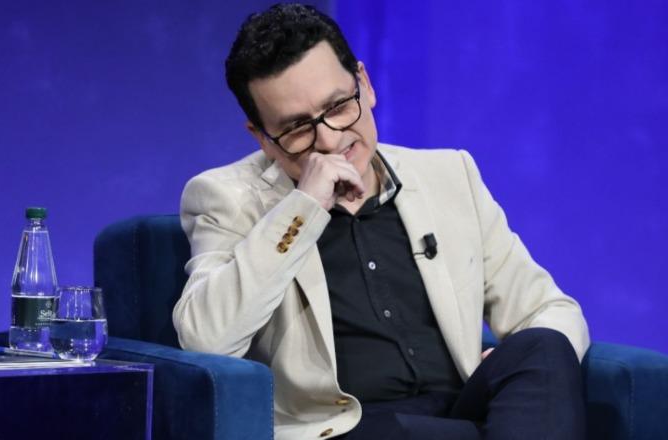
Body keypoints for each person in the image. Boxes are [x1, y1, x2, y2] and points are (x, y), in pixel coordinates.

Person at [173, 4, 590, 439]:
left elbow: (549, 309)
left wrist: (505, 372)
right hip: (352, 428)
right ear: (262, 137)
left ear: (365, 84)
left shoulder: (449, 175)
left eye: (338, 106)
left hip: (463, 414)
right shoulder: (229, 198)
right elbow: (207, 339)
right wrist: (303, 207)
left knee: (542, 345)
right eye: (297, 128)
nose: (330, 139)